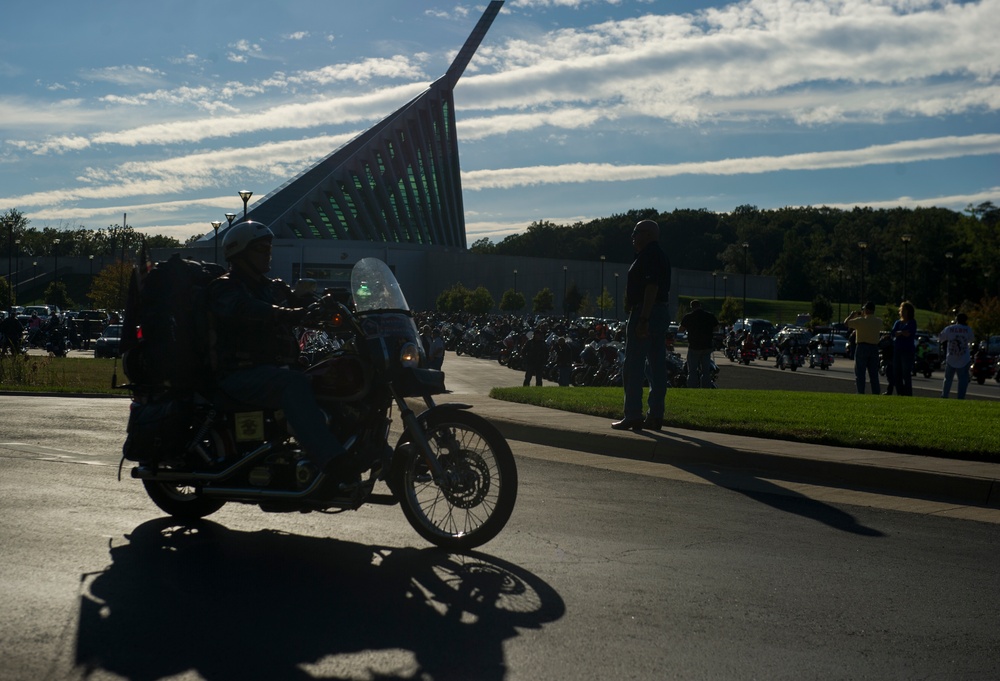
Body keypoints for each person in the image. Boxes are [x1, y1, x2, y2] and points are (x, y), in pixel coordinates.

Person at [208, 220, 357, 494]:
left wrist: (333, 308)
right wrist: (287, 313)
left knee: (329, 374)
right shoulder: (225, 288)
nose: (268, 254)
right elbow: (252, 309)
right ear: (239, 254)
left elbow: (298, 304)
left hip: (272, 370)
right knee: (293, 384)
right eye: (261, 249)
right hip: (239, 375)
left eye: (269, 248)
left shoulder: (272, 287)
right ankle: (331, 461)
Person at [612, 219, 671, 431]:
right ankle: (655, 415)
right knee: (656, 366)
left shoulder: (650, 256)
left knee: (633, 366)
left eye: (636, 233)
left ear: (647, 234)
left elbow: (651, 286)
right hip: (659, 311)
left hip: (647, 312)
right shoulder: (658, 255)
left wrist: (643, 319)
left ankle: (633, 414)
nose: (633, 238)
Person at [845, 301, 882, 394]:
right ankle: (876, 393)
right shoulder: (878, 321)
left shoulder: (860, 321)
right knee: (874, 374)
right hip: (874, 347)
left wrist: (852, 315)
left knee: (860, 373)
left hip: (862, 346)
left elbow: (846, 323)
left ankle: (861, 392)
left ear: (867, 310)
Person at [679, 299, 718, 388]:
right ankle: (706, 387)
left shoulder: (688, 317)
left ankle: (692, 387)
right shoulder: (709, 316)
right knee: (706, 371)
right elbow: (716, 329)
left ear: (691, 307)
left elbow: (681, 329)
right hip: (707, 346)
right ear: (700, 305)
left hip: (694, 346)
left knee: (692, 370)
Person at [939, 312, 975, 399]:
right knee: (963, 380)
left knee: (948, 379)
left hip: (951, 357)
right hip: (963, 358)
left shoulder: (949, 328)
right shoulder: (968, 329)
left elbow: (940, 338)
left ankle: (944, 396)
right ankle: (961, 397)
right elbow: (972, 340)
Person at [890, 301, 917, 396]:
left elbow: (908, 333)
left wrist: (900, 333)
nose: (902, 312)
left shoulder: (912, 322)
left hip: (907, 350)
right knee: (897, 373)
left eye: (904, 310)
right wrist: (901, 333)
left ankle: (908, 394)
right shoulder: (898, 322)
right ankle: (900, 393)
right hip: (898, 349)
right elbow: (893, 333)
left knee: (906, 373)